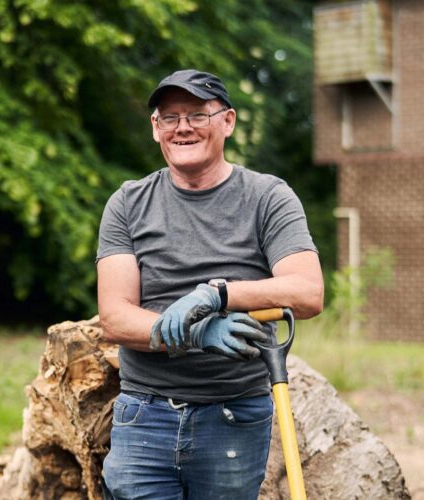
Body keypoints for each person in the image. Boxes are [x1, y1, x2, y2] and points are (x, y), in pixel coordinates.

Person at [96, 69, 324, 500]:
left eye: (198, 114)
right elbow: (115, 318)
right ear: (155, 129)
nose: (182, 127)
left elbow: (308, 292)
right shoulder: (127, 202)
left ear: (228, 121)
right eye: (169, 117)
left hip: (233, 415)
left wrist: (219, 295)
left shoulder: (268, 198)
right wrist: (198, 333)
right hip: (144, 415)